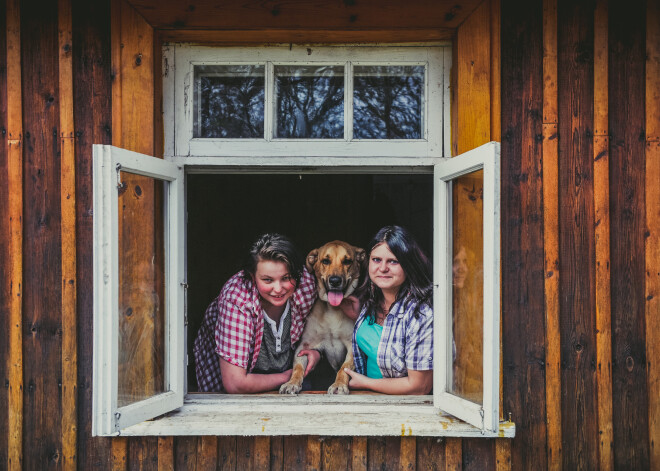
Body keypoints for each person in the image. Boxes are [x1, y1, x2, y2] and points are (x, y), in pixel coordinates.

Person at [193, 233, 321, 393]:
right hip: (237, 390)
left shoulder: (306, 285)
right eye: (268, 280)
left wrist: (316, 352)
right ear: (252, 277)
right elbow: (235, 383)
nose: (278, 288)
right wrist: (290, 375)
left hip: (290, 385)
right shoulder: (237, 298)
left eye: (286, 278)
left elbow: (324, 327)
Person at [343, 225, 433, 395]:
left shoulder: (421, 314)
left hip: (401, 408)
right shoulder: (371, 301)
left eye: (393, 261)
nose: (382, 268)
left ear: (408, 265)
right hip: (365, 401)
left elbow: (419, 387)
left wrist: (366, 383)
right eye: (376, 259)